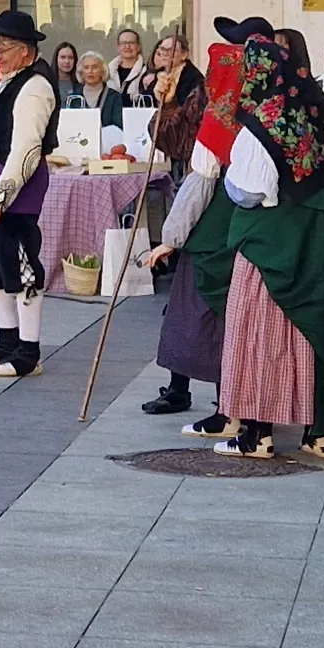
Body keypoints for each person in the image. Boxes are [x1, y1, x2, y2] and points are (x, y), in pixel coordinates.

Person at [159, 29, 324, 461]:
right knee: (317, 331)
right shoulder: (320, 116)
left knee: (261, 340)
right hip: (321, 241)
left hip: (269, 245)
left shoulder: (256, 127)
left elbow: (247, 191)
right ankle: (317, 434)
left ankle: (256, 435)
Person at [0, 11, 65, 376]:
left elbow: (25, 151)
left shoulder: (34, 87)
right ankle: (7, 340)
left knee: (22, 269)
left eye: (2, 49)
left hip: (13, 192)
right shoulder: (9, 80)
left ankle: (28, 354)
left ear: (24, 51)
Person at [136, 45, 234, 421]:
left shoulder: (256, 107)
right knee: (187, 307)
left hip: (226, 220)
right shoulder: (206, 97)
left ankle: (231, 404)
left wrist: (172, 236)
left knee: (223, 314)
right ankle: (181, 389)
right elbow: (174, 142)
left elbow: (206, 170)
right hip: (202, 211)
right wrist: (169, 104)